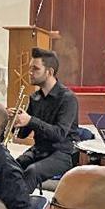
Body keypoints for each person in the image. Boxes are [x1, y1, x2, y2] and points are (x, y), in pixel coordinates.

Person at [12, 47, 80, 192]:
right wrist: (14, 121)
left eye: (35, 69)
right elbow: (22, 134)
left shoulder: (68, 98)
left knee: (32, 172)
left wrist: (30, 120)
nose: (30, 72)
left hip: (63, 153)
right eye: (30, 68)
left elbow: (60, 134)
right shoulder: (35, 97)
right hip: (40, 149)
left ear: (49, 72)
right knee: (12, 167)